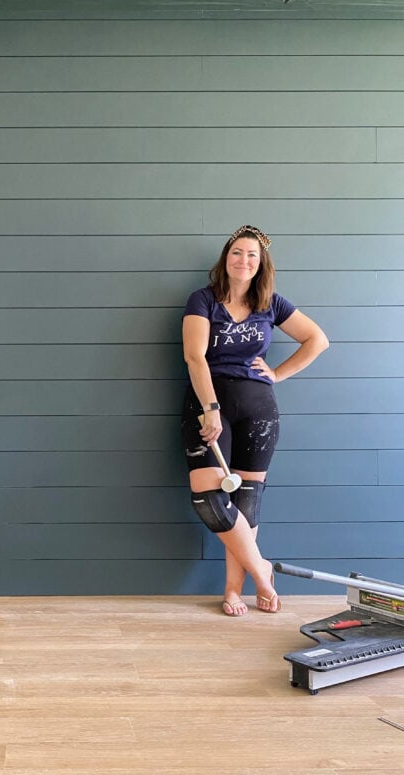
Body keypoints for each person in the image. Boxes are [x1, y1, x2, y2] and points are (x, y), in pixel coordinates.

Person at [181, 225, 329, 616]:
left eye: (252, 255)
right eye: (237, 253)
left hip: (259, 409)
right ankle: (261, 571)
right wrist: (209, 408)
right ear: (225, 259)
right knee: (211, 500)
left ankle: (233, 590)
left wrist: (277, 374)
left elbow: (317, 339)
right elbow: (195, 358)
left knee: (247, 501)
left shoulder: (272, 303)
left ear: (261, 263)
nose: (243, 260)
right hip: (210, 406)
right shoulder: (203, 300)